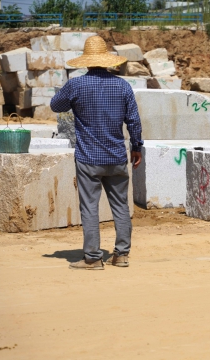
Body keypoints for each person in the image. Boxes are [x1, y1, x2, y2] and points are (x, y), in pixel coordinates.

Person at [50, 35, 143, 270]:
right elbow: (133, 121)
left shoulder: (76, 85)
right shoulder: (123, 85)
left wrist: (76, 102)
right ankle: (121, 255)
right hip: (117, 156)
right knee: (121, 206)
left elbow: (55, 105)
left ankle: (92, 257)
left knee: (90, 207)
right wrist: (136, 147)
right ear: (107, 60)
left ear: (87, 61)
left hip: (88, 158)